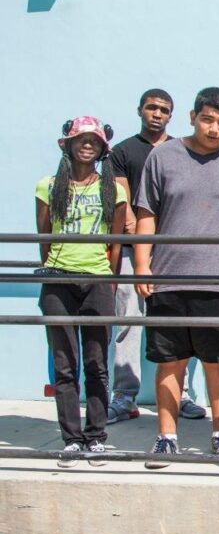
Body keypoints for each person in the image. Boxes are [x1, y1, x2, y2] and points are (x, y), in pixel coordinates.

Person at [135, 87, 219, 468]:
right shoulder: (162, 156)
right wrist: (142, 264)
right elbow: (145, 213)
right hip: (169, 277)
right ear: (192, 117)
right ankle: (166, 437)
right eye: (207, 119)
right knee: (170, 361)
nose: (214, 128)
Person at [107, 90, 209, 425]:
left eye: (164, 110)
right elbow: (125, 207)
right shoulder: (122, 152)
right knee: (128, 324)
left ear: (173, 115)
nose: (157, 114)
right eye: (151, 107)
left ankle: (180, 395)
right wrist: (142, 252)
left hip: (175, 256)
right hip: (132, 253)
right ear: (140, 110)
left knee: (180, 326)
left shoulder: (180, 150)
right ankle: (124, 397)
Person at [37, 117, 128, 467]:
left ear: (103, 149)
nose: (87, 145)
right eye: (81, 139)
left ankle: (96, 436)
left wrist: (109, 280)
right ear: (69, 144)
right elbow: (43, 236)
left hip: (98, 280)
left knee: (96, 362)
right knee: (64, 364)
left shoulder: (113, 190)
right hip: (59, 279)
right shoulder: (47, 186)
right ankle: (71, 439)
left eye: (94, 140)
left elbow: (116, 243)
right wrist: (54, 270)